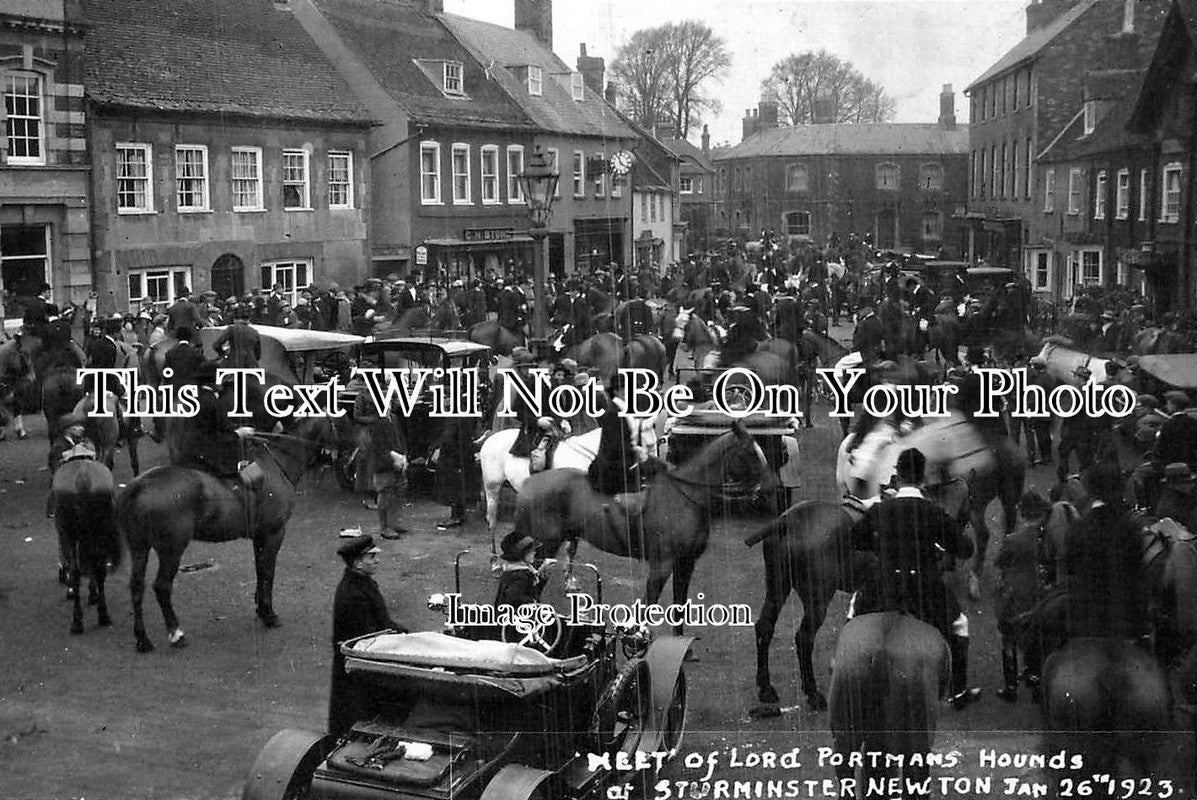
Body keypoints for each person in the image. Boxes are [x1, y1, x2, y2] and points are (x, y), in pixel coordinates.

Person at [849, 447, 979, 707]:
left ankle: (845, 670)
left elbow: (856, 539)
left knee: (853, 615)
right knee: (960, 624)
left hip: (884, 585)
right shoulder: (933, 512)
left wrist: (881, 547)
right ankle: (958, 691)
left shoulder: (879, 510)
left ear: (897, 476)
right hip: (924, 588)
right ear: (922, 478)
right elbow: (965, 549)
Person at [329, 534, 408, 738]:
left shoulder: (362, 583)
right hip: (359, 666)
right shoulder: (353, 594)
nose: (377, 561)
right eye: (371, 557)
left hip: (362, 659)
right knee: (359, 714)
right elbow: (370, 635)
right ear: (357, 562)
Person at [994, 490, 1052, 704]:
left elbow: (999, 562)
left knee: (1007, 638)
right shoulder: (1045, 534)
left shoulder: (1013, 539)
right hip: (1041, 592)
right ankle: (1036, 681)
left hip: (1016, 594)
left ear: (1022, 512)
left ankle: (1010, 688)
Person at [494, 530, 548, 611]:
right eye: (531, 550)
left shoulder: (512, 571)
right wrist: (534, 605)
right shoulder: (521, 575)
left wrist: (542, 577)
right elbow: (514, 599)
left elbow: (529, 590)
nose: (534, 552)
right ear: (522, 554)